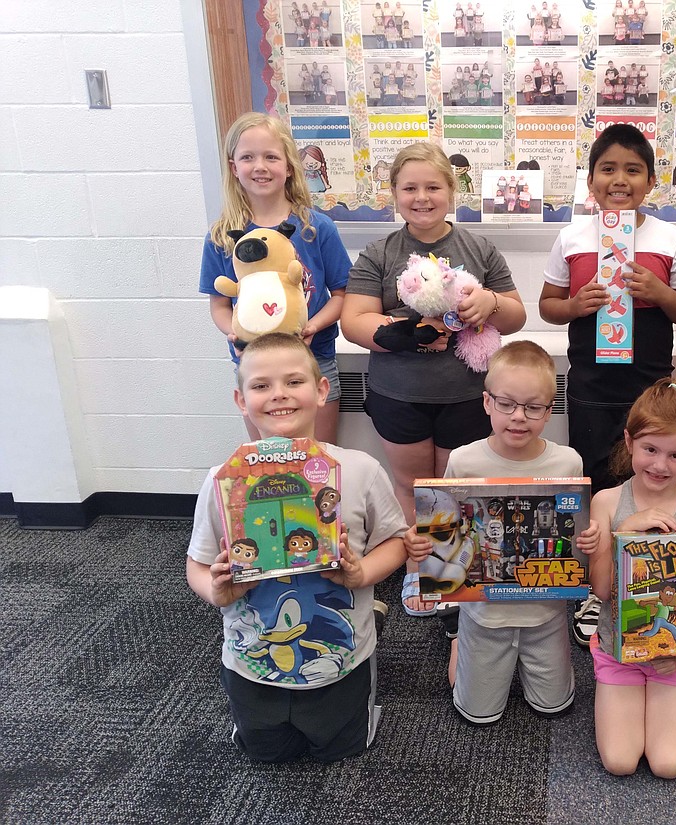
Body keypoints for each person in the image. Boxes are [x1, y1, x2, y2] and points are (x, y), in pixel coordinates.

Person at [186, 332, 422, 762]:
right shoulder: (223, 479)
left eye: (294, 382)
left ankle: (370, 628)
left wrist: (361, 573)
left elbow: (396, 541)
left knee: (344, 749)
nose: (279, 395)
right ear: (241, 400)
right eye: (261, 386)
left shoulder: (360, 470)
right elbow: (197, 565)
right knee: (264, 752)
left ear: (321, 389)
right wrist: (214, 590)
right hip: (250, 661)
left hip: (342, 658)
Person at [339, 142, 525, 616]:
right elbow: (353, 320)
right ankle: (419, 571)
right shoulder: (380, 253)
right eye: (410, 188)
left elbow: (517, 314)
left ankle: (454, 568)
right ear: (394, 194)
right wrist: (403, 335)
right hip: (398, 394)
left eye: (433, 187)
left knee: (454, 485)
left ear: (452, 190)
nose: (422, 197)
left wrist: (492, 305)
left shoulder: (478, 248)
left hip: (465, 394)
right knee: (412, 485)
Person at [539, 123, 676, 645]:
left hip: (650, 388)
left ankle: (654, 575)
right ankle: (597, 586)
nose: (619, 178)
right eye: (608, 168)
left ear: (650, 181)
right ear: (590, 180)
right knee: (594, 481)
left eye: (633, 169)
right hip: (590, 384)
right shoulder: (572, 237)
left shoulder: (668, 237)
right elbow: (548, 304)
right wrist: (574, 305)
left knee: (655, 475)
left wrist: (659, 290)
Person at [404, 341, 586, 720]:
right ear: (487, 402)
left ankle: (468, 646)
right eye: (506, 403)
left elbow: (575, 532)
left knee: (554, 706)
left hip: (546, 613)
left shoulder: (567, 462)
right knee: (477, 712)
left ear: (550, 411)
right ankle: (459, 641)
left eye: (533, 407)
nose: (519, 417)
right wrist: (423, 544)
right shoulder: (463, 460)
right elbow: (445, 528)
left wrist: (590, 539)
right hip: (483, 613)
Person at [576, 378, 676, 778]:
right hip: (618, 650)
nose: (660, 464)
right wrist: (626, 535)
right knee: (620, 761)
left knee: (667, 764)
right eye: (650, 449)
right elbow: (602, 590)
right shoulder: (607, 504)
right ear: (629, 442)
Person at [199, 113, 349, 444]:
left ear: (290, 165)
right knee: (268, 465)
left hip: (314, 360)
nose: (260, 166)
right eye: (248, 157)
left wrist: (312, 326)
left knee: (320, 461)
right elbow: (220, 306)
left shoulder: (317, 228)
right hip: (256, 367)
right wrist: (236, 331)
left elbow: (341, 295)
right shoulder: (222, 237)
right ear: (234, 167)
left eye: (271, 156)